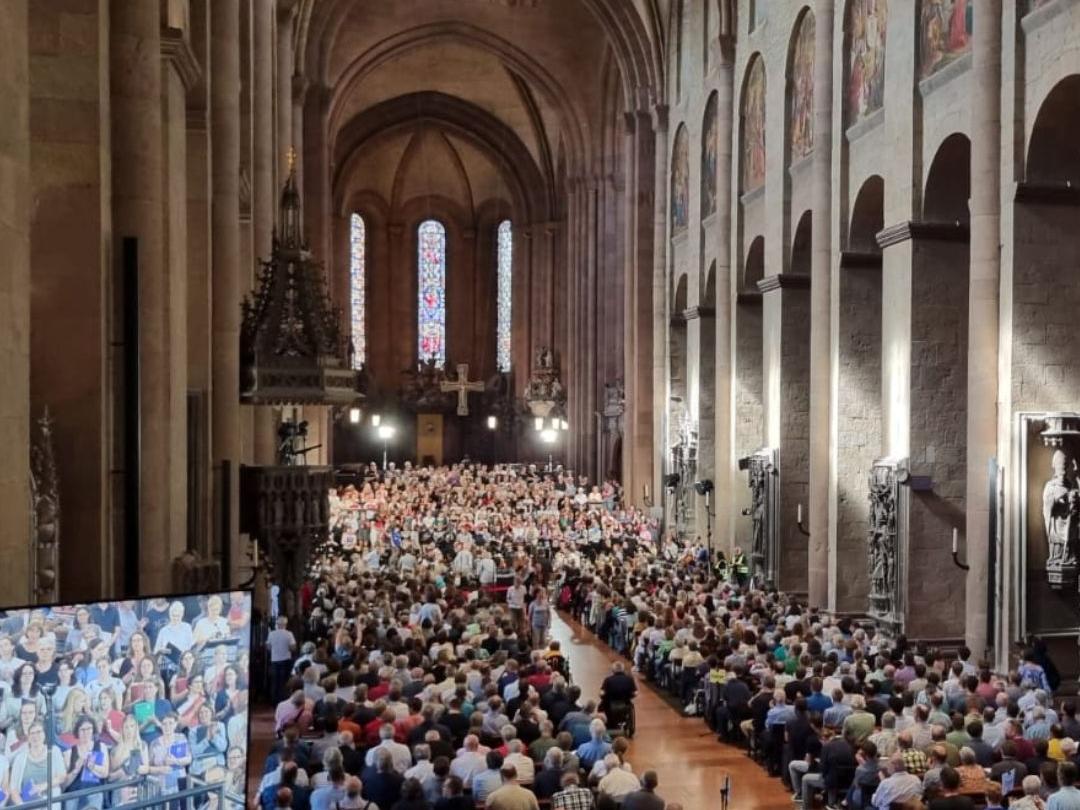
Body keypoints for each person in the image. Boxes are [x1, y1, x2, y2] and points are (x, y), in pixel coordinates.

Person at [267, 617, 297, 705]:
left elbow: (268, 647)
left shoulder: (271, 634)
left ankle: (274, 701)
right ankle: (283, 700)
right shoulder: (289, 634)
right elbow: (293, 648)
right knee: (284, 681)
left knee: (275, 681)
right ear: (285, 624)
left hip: (274, 660)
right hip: (285, 660)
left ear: (277, 624)